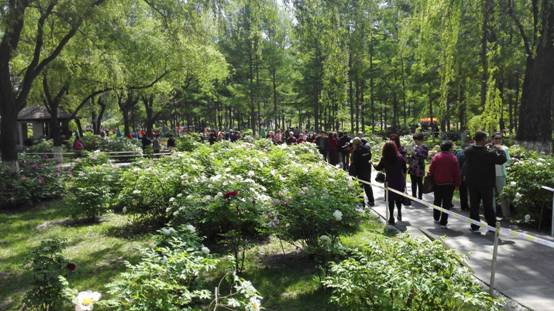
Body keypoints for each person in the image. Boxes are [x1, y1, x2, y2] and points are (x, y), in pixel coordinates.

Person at [464, 131, 507, 232]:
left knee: (474, 205)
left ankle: (474, 226)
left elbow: (470, 150)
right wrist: (500, 150)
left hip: (472, 183)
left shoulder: (468, 151)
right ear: (483, 140)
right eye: (486, 138)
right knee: (488, 206)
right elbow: (502, 160)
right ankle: (491, 227)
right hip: (486, 183)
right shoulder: (489, 153)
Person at [428, 141, 460, 228]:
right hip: (449, 184)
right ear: (449, 148)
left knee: (437, 200)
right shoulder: (453, 158)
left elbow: (431, 170)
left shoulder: (436, 157)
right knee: (446, 203)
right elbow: (456, 173)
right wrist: (457, 184)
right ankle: (443, 222)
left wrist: (432, 180)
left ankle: (436, 217)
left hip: (437, 183)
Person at [374, 141, 407, 225]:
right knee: (399, 198)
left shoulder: (384, 158)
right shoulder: (400, 157)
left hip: (389, 182)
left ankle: (391, 217)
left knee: (390, 200)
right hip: (399, 181)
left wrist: (373, 164)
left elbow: (378, 168)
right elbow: (405, 168)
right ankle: (399, 212)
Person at [349, 137, 375, 206]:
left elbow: (354, 163)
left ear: (355, 144)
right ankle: (371, 201)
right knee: (368, 186)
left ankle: (361, 202)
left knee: (359, 187)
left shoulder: (355, 152)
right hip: (367, 171)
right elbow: (369, 157)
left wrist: (353, 173)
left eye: (353, 144)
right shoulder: (367, 149)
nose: (352, 146)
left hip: (359, 172)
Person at [493, 133, 511, 217]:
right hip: (490, 175)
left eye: (499, 138)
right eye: (496, 138)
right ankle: (492, 214)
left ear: (502, 139)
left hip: (500, 175)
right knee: (491, 196)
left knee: (503, 195)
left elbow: (508, 161)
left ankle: (506, 215)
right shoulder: (488, 148)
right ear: (492, 139)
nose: (497, 140)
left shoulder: (505, 148)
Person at [407, 133, 429, 200]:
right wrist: (409, 157)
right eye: (414, 140)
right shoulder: (414, 146)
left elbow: (425, 156)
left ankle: (420, 197)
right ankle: (413, 196)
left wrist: (415, 153)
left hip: (420, 168)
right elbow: (412, 157)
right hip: (413, 167)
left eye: (416, 140)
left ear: (421, 140)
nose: (415, 141)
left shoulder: (424, 147)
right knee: (413, 183)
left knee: (419, 182)